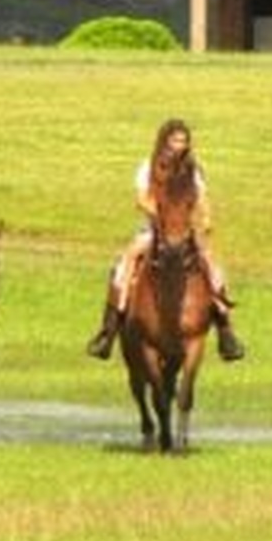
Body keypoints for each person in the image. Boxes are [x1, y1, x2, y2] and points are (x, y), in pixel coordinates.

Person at [87, 118, 245, 362]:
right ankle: (111, 327)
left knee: (212, 265)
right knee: (124, 263)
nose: (179, 145)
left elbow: (202, 198)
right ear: (164, 140)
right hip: (154, 229)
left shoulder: (193, 169)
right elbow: (141, 199)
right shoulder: (148, 167)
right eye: (174, 140)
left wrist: (206, 218)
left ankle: (226, 329)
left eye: (183, 141)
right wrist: (161, 216)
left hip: (184, 231)